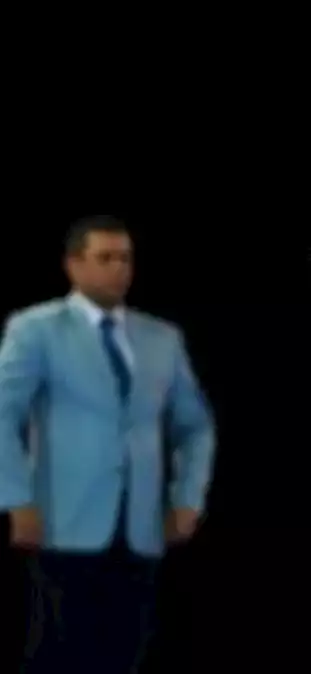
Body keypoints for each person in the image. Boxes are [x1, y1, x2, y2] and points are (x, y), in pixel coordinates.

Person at [0, 215, 216, 674]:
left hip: (141, 525)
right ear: (73, 265)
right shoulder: (37, 329)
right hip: (63, 520)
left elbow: (194, 425)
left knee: (125, 652)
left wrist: (187, 498)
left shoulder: (161, 338)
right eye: (105, 258)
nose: (119, 268)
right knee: (58, 652)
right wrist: (16, 498)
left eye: (125, 258)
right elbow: (4, 414)